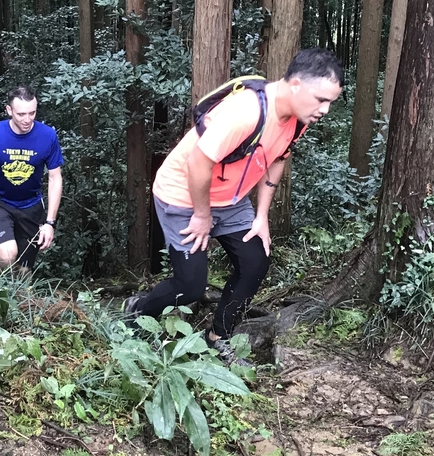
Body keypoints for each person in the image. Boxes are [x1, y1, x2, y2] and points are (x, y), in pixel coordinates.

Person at [125, 48, 344, 364]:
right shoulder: (246, 112)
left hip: (230, 198)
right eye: (321, 99)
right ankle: (139, 309)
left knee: (255, 262)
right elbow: (198, 163)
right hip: (184, 194)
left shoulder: (299, 118)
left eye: (330, 103)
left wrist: (262, 216)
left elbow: (279, 158)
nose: (324, 109)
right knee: (190, 285)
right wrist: (203, 215)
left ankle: (217, 337)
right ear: (295, 84)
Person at [0, 85, 63, 270]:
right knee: (7, 255)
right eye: (21, 114)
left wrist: (50, 223)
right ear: (9, 110)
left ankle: (7, 292)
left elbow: (55, 178)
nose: (27, 119)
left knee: (24, 269)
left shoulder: (48, 136)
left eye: (32, 113)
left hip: (31, 204)